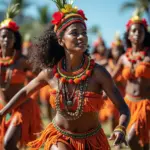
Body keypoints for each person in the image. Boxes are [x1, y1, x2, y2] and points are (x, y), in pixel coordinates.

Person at [0, 1, 130, 150]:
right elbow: (25, 92)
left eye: (84, 33)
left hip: (92, 140)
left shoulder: (98, 73)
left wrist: (121, 128)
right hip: (60, 136)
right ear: (61, 40)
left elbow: (123, 109)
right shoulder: (50, 73)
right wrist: (3, 112)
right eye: (74, 33)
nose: (81, 37)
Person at [0, 4, 42, 150]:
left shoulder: (21, 60)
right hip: (2, 107)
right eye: (3, 36)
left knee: (8, 144)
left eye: (10, 37)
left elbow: (43, 75)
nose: (6, 40)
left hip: (22, 106)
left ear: (15, 40)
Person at [112, 15, 150, 150]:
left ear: (145, 35)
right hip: (127, 104)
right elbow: (111, 78)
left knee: (132, 138)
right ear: (128, 35)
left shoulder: (149, 56)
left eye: (141, 31)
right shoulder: (123, 58)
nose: (137, 33)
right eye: (133, 30)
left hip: (144, 105)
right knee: (144, 143)